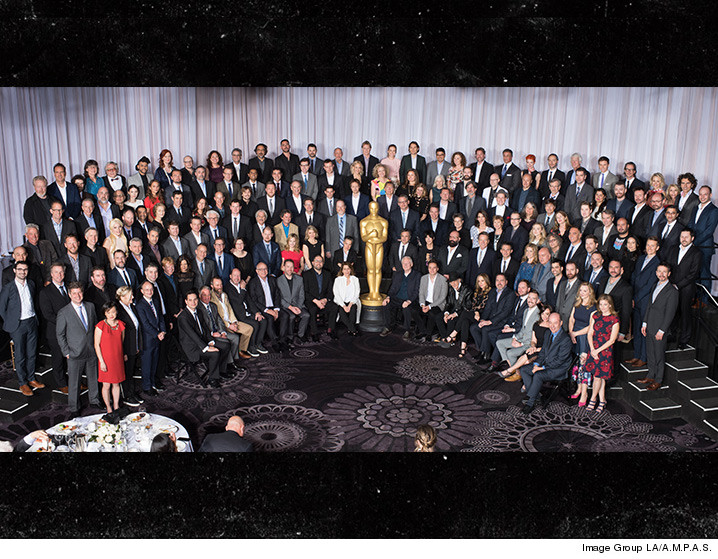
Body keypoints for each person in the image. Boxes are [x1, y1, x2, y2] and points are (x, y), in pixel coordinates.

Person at [55, 282, 101, 413]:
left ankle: (94, 400)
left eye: (79, 292)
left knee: (93, 378)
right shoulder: (64, 312)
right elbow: (60, 334)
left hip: (91, 350)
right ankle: (74, 407)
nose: (77, 295)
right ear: (69, 295)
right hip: (74, 353)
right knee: (74, 382)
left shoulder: (90, 306)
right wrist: (66, 352)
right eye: (74, 293)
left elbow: (95, 327)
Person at [0, 261, 43, 396]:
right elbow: (2, 308)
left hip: (31, 322)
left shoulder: (31, 284)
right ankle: (22, 382)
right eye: (19, 269)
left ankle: (31, 378)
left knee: (31, 353)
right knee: (20, 355)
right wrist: (11, 323)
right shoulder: (8, 288)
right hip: (17, 325)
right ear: (14, 270)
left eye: (25, 269)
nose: (22, 272)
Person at [519, 312, 573, 414]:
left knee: (538, 375)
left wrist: (542, 368)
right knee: (524, 369)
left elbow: (559, 361)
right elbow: (543, 352)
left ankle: (530, 403)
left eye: (555, 323)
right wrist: (536, 364)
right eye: (550, 323)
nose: (552, 326)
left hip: (559, 369)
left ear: (561, 323)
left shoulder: (565, 339)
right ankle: (536, 395)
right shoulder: (548, 333)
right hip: (546, 364)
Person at [177, 289, 231, 389]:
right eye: (190, 300)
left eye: (195, 299)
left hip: (202, 341)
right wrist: (206, 347)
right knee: (215, 353)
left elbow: (205, 329)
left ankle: (220, 371)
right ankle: (212, 378)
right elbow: (193, 335)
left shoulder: (199, 311)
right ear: (186, 301)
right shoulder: (183, 317)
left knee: (226, 345)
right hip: (192, 347)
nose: (193, 302)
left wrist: (211, 341)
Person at [637, 264, 679, 391]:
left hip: (660, 328)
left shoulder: (672, 291)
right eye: (659, 271)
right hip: (650, 325)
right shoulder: (655, 286)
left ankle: (658, 380)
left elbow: (670, 313)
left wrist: (662, 330)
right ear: (656, 272)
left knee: (659, 355)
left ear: (669, 274)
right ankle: (650, 375)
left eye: (664, 272)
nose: (661, 274)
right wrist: (645, 323)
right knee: (650, 353)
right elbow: (649, 305)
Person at [665, 229, 702, 348]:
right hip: (671, 286)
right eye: (682, 236)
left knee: (685, 314)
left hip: (686, 288)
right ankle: (672, 334)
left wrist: (678, 285)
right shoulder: (673, 248)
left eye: (686, 237)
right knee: (672, 311)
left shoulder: (697, 253)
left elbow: (693, 273)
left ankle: (684, 339)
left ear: (692, 238)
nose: (684, 239)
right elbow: (668, 265)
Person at [583, 295, 620, 412]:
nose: (602, 307)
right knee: (600, 377)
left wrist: (597, 351)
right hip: (593, 348)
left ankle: (593, 399)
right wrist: (592, 349)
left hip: (605, 352)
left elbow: (612, 340)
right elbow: (589, 333)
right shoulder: (595, 315)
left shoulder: (614, 319)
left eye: (605, 304)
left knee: (597, 377)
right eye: (600, 304)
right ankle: (602, 400)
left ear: (610, 305)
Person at [445, 273, 490, 357]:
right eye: (479, 281)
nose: (480, 283)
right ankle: (463, 347)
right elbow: (472, 305)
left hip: (483, 316)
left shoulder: (490, 292)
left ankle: (453, 334)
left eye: (482, 281)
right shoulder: (478, 291)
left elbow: (485, 307)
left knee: (465, 313)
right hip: (475, 314)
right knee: (465, 321)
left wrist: (476, 312)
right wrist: (475, 311)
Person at [93, 301, 126, 414]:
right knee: (106, 385)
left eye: (113, 312)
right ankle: (108, 407)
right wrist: (101, 361)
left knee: (116, 383)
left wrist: (122, 354)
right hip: (105, 359)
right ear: (104, 313)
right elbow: (96, 345)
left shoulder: (121, 325)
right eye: (108, 312)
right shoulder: (100, 326)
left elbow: (121, 342)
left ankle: (116, 405)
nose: (111, 314)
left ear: (116, 312)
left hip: (117, 359)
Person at [135, 280, 166, 397]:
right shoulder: (140, 305)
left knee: (154, 362)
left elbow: (161, 318)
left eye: (151, 289)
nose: (149, 291)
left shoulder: (156, 302)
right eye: (147, 289)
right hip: (148, 339)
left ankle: (153, 383)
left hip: (158, 337)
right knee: (147, 364)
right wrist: (157, 334)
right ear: (142, 291)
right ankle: (147, 387)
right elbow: (145, 323)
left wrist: (163, 331)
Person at [115, 286, 142, 407]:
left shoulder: (131, 307)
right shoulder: (119, 311)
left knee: (131, 371)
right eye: (130, 295)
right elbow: (119, 334)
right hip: (126, 348)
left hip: (133, 345)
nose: (133, 297)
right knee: (126, 372)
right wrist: (123, 351)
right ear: (123, 297)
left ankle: (132, 393)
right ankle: (127, 396)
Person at [276, 259, 310, 347]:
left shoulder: (299, 279)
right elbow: (279, 298)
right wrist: (291, 307)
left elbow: (301, 295)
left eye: (291, 267)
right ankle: (290, 337)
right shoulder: (278, 280)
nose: (290, 269)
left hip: (298, 305)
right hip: (286, 306)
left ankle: (300, 335)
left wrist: (298, 307)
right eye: (287, 267)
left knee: (306, 315)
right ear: (283, 267)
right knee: (291, 316)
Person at [414, 260, 448, 342]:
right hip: (426, 302)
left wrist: (429, 307)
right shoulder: (424, 278)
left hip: (438, 303)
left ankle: (429, 333)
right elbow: (421, 293)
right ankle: (423, 331)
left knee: (432, 313)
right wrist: (422, 304)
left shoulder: (443, 279)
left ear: (437, 269)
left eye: (434, 268)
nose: (432, 270)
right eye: (430, 268)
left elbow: (443, 297)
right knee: (414, 311)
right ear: (428, 268)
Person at [330, 262, 361, 337]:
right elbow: (336, 294)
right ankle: (352, 329)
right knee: (341, 311)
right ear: (342, 270)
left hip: (352, 301)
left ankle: (351, 329)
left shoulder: (355, 279)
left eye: (348, 269)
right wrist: (344, 306)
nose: (346, 271)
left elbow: (357, 293)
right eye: (344, 269)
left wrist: (350, 305)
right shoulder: (338, 280)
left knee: (353, 309)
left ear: (350, 269)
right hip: (341, 302)